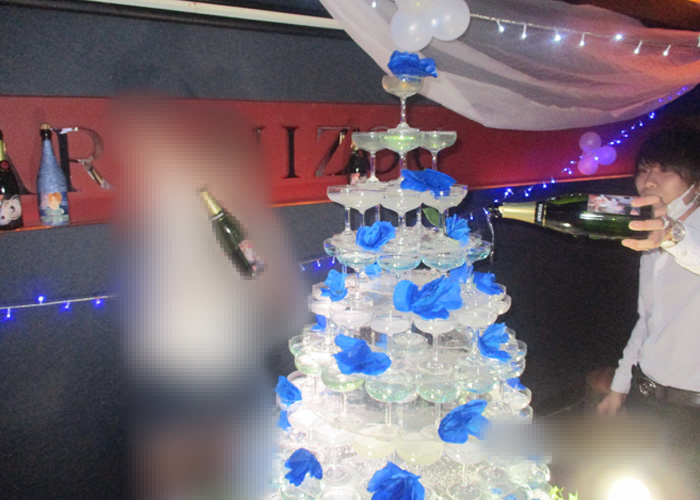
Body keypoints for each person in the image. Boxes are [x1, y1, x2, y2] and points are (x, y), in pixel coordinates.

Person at [597, 128, 700, 494]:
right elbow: (647, 320)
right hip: (647, 399)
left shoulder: (673, 234)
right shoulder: (650, 238)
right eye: (644, 169)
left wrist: (672, 234)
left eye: (665, 170)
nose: (649, 180)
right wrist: (619, 387)